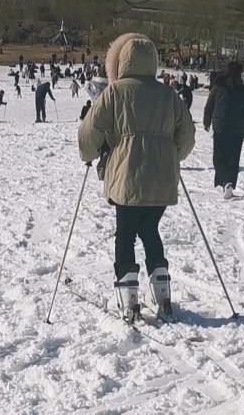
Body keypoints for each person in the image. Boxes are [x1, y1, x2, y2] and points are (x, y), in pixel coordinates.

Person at [78, 33, 195, 322]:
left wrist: (88, 154)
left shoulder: (116, 91)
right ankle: (162, 292)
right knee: (150, 230)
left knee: (126, 233)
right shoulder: (168, 94)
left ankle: (128, 297)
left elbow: (90, 130)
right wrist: (170, 155)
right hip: (162, 177)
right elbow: (188, 136)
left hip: (126, 176)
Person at [202, 61, 244, 199]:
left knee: (220, 156)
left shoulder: (219, 86)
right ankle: (229, 182)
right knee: (233, 157)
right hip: (237, 127)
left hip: (220, 125)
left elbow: (209, 105)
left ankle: (224, 181)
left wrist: (207, 121)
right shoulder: (243, 88)